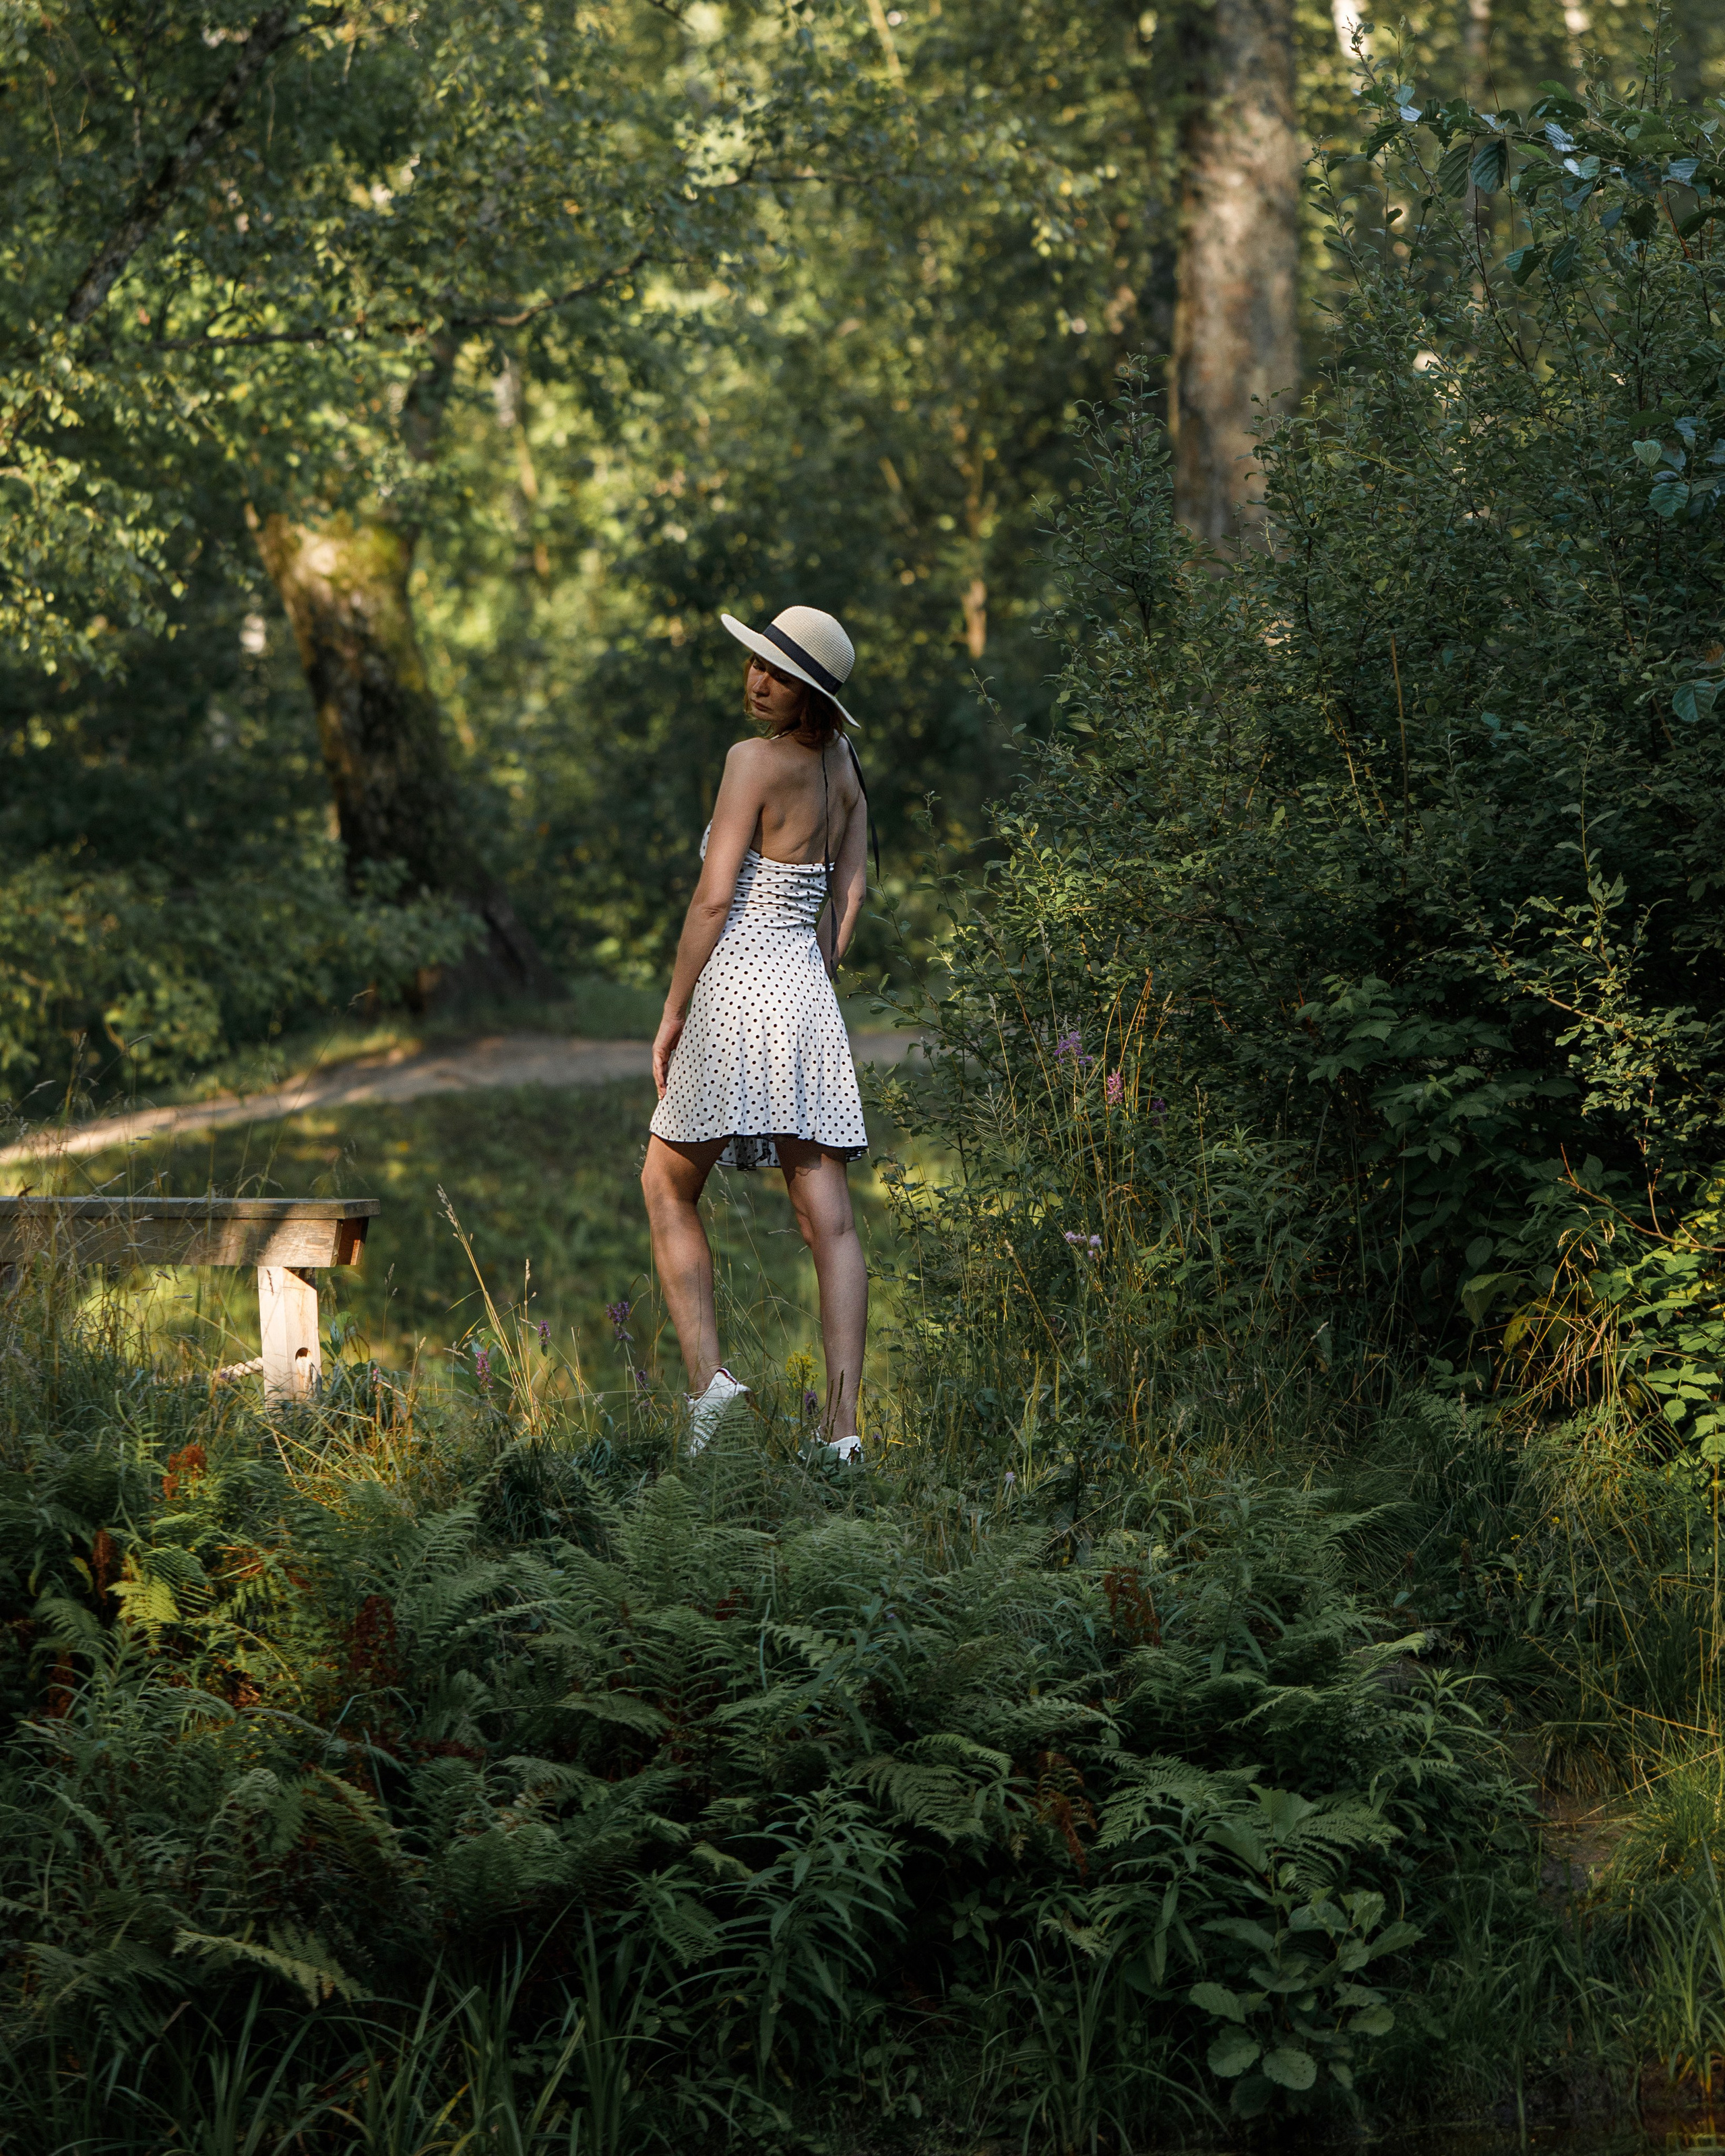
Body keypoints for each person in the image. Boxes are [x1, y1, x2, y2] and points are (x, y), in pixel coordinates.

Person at [642, 605, 872, 1460]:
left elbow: (712, 899)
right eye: (755, 664)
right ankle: (841, 1435)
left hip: (736, 981)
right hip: (805, 995)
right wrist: (810, 976)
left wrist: (673, 1011)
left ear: (807, 689)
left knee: (666, 1184)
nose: (756, 679)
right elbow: (846, 898)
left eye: (776, 672)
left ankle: (710, 1388)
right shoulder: (844, 767)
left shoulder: (751, 763)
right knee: (832, 1224)